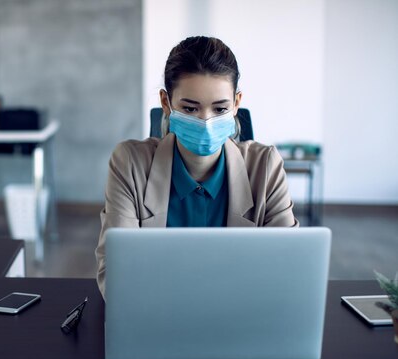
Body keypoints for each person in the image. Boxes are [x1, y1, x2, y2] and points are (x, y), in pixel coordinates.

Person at [95, 36, 298, 297]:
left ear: (236, 104)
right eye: (190, 109)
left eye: (220, 108)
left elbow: (288, 273)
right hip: (159, 323)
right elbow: (116, 278)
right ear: (166, 103)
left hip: (239, 324)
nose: (205, 121)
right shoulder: (130, 163)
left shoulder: (266, 166)